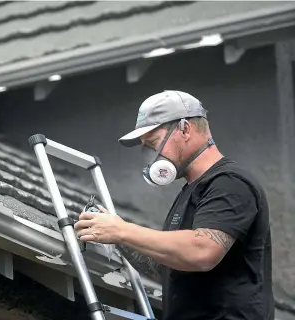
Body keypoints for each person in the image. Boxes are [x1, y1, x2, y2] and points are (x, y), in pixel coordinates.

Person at [73, 90, 274, 320]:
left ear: (184, 129)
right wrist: (117, 237)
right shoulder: (189, 192)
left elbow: (203, 251)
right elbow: (167, 268)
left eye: (154, 143)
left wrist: (122, 230)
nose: (152, 156)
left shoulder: (230, 182)